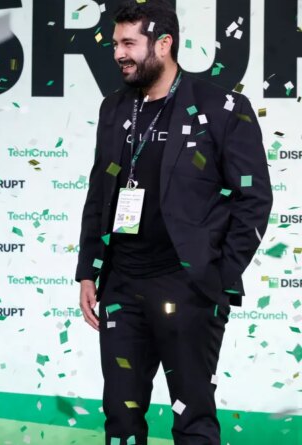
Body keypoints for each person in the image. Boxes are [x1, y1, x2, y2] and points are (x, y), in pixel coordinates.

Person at [75, 1, 272, 444]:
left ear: (163, 44)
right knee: (121, 420)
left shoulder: (222, 107)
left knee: (193, 419)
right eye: (115, 43)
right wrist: (89, 271)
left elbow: (254, 199)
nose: (118, 53)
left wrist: (218, 275)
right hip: (121, 285)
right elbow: (99, 195)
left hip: (188, 288)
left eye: (129, 43)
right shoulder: (114, 109)